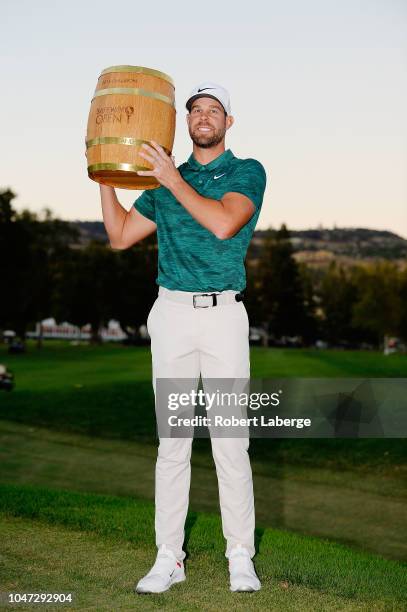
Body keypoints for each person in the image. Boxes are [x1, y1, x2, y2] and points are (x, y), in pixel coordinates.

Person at [98, 82, 267, 594]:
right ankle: (169, 556)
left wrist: (171, 180)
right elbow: (120, 236)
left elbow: (222, 223)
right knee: (172, 445)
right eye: (195, 109)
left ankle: (240, 555)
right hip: (171, 315)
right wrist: (102, 174)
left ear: (227, 123)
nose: (203, 116)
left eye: (213, 109)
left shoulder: (245, 171)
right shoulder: (166, 181)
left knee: (229, 444)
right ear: (187, 121)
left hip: (222, 317)